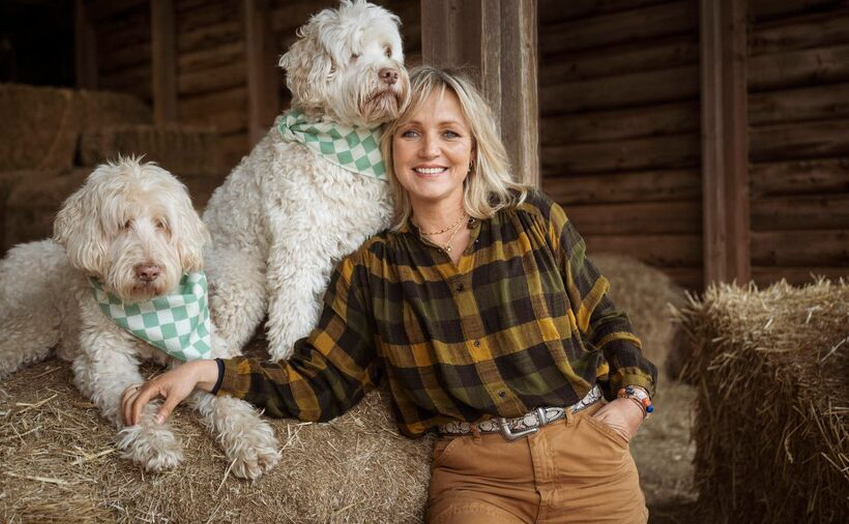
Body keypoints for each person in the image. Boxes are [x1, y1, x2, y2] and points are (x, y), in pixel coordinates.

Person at [122, 66, 656, 523]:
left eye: (450, 133)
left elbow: (606, 320)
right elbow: (320, 382)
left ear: (473, 148)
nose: (430, 150)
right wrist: (207, 370)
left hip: (588, 452)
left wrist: (631, 404)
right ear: (388, 148)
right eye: (410, 133)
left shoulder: (530, 218)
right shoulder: (373, 268)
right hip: (479, 480)